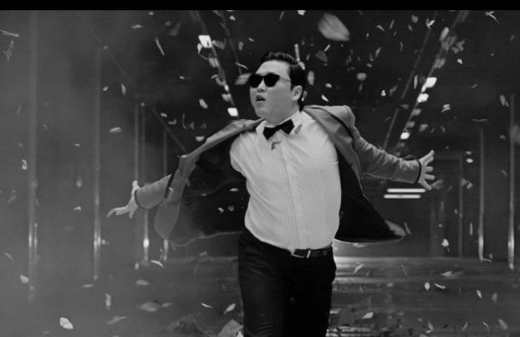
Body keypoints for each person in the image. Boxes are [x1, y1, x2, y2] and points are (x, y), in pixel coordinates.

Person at [109, 51, 435, 337]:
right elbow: (187, 178)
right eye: (255, 81)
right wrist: (141, 197)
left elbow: (371, 159)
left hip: (317, 263)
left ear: (296, 92)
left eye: (270, 80)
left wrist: (413, 170)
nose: (259, 87)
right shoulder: (242, 143)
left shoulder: (334, 124)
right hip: (263, 258)